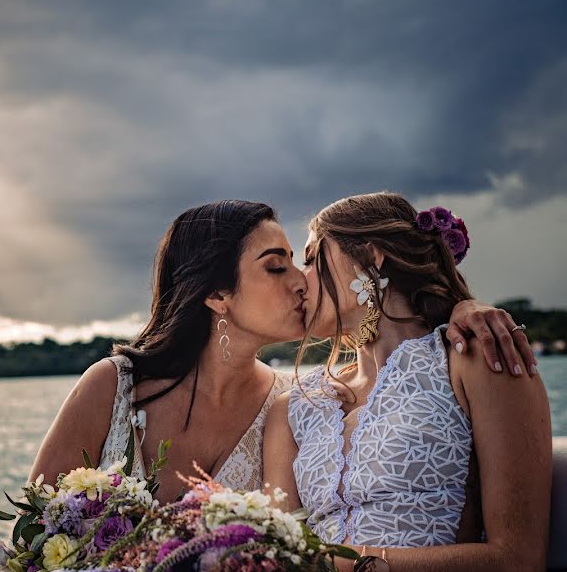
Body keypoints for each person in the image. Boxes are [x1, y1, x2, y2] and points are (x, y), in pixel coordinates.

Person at [30, 199, 536, 505]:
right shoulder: (113, 386)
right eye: (277, 267)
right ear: (217, 295)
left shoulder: (295, 406)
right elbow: (32, 530)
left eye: (303, 262)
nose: (301, 282)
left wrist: (463, 305)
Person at [263, 193, 551, 572]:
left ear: (371, 257)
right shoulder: (294, 406)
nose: (302, 279)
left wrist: (349, 567)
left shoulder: (476, 360)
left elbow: (518, 560)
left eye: (314, 258)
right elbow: (276, 553)